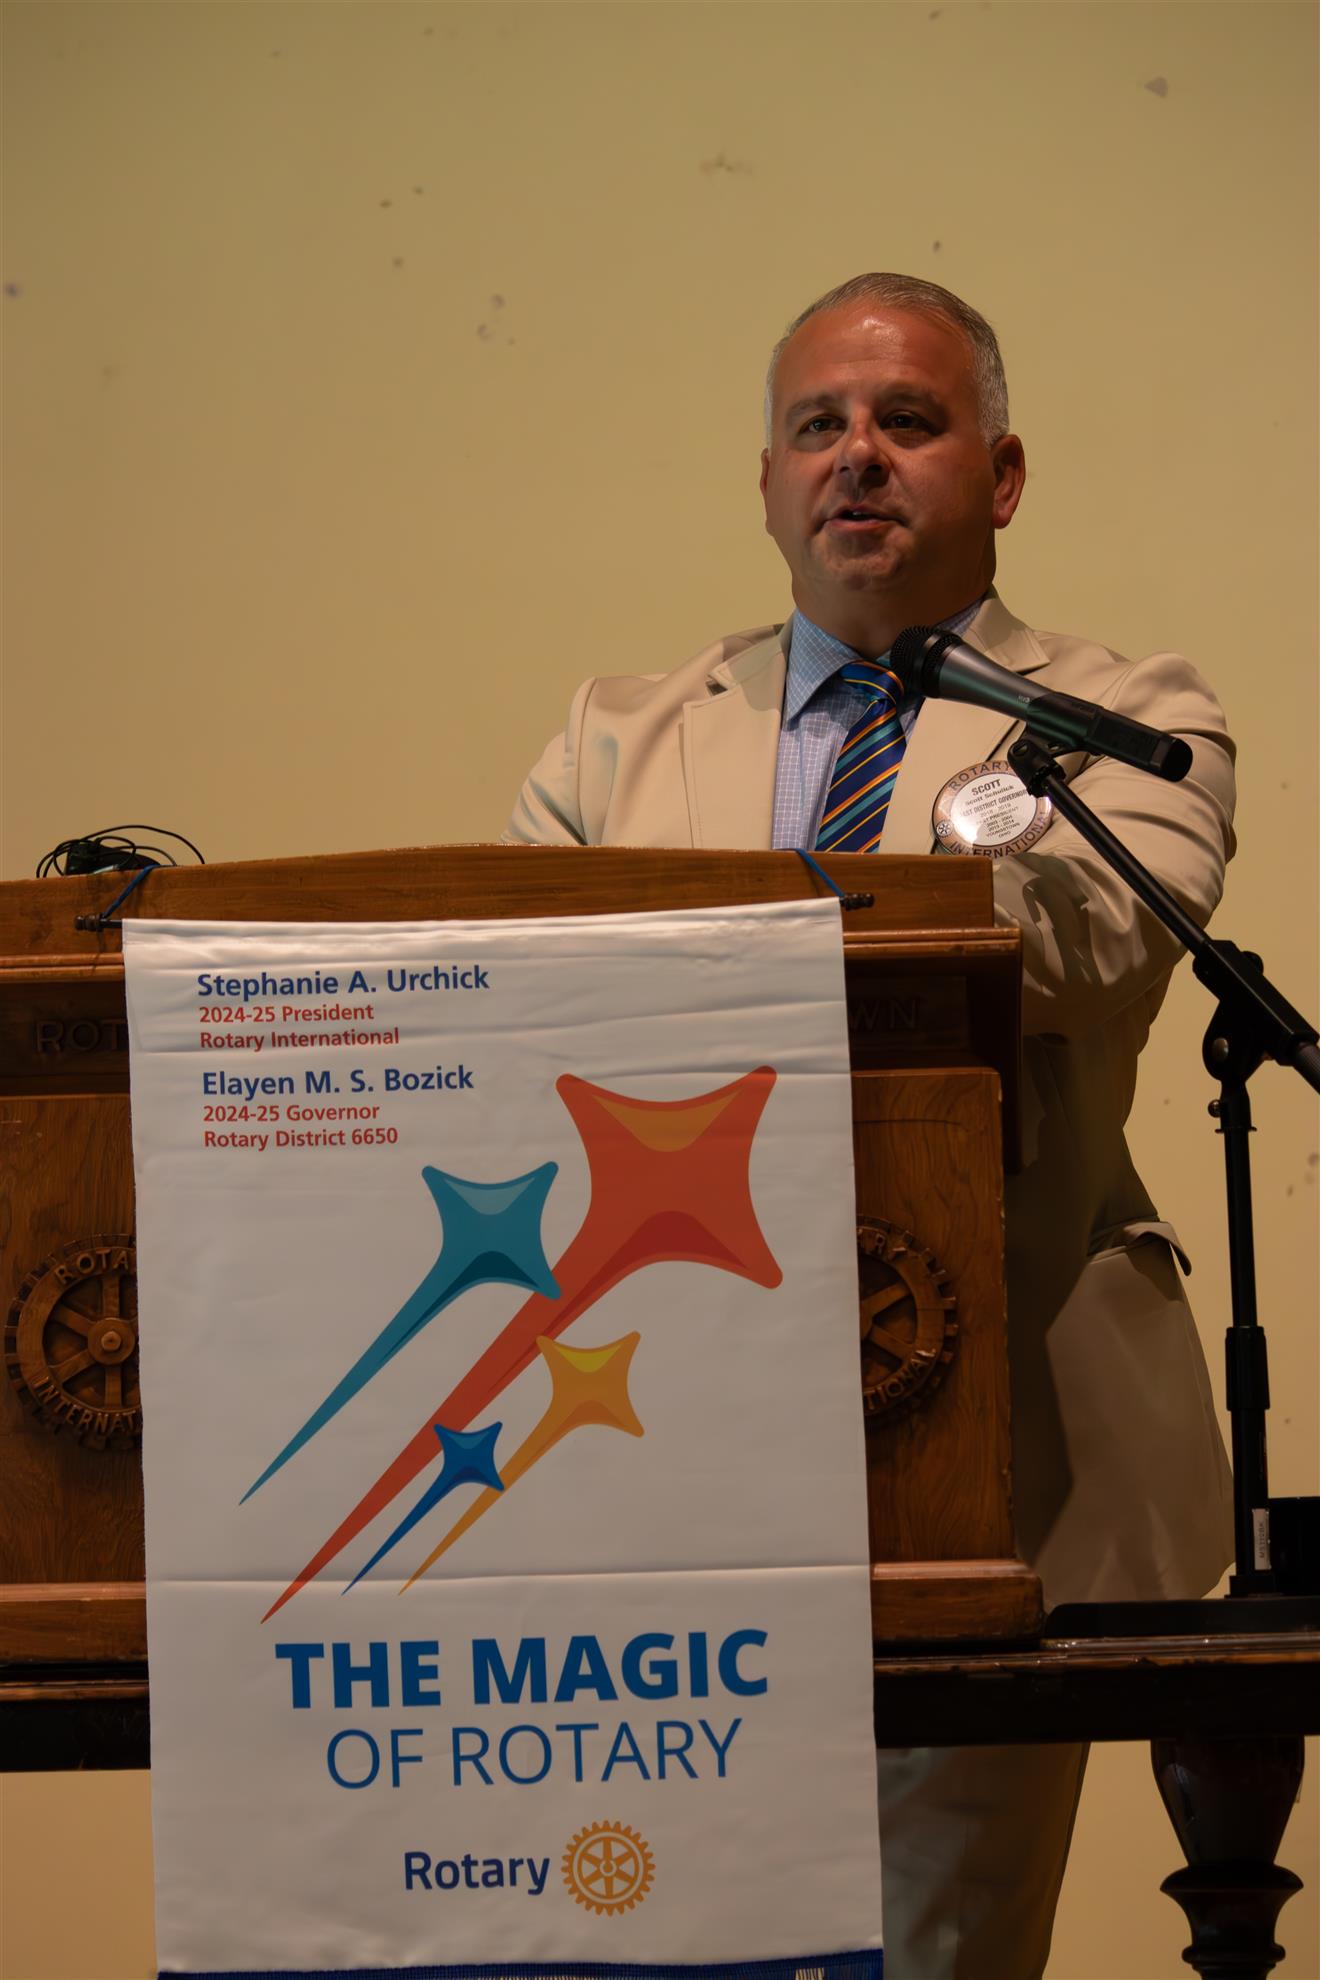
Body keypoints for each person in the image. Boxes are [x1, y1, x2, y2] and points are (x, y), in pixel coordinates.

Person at [504, 272, 1236, 1979]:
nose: (858, 456)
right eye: (816, 426)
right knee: (659, 1931)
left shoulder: (1130, 718)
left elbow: (1095, 946)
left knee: (938, 1947)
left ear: (1002, 475)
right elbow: (518, 1016)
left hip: (1000, 1445)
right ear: (765, 482)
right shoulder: (616, 741)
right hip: (662, 1442)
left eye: (909, 420)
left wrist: (718, 941)